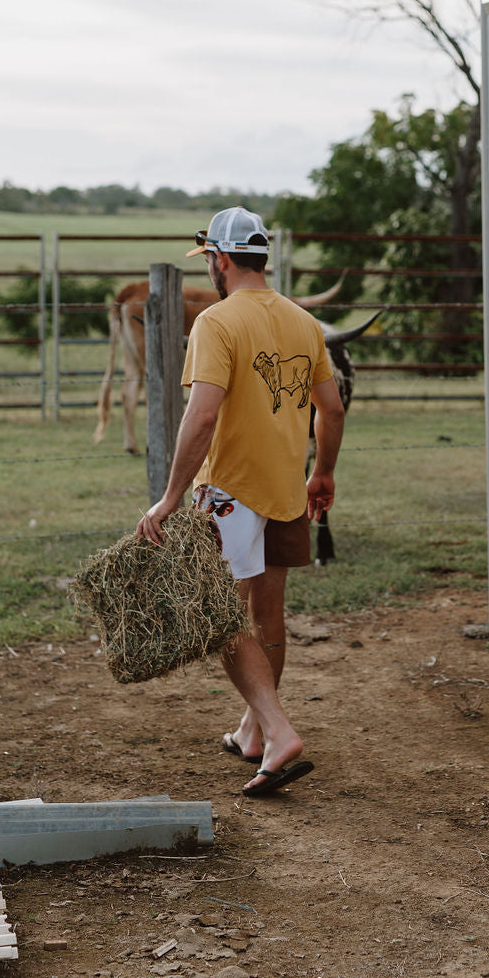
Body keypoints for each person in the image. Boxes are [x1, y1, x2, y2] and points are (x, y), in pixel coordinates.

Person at [136, 206, 345, 798]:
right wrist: (322, 472)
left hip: (228, 490)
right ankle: (253, 732)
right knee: (267, 616)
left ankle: (278, 732)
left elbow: (201, 416)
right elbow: (331, 409)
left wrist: (170, 497)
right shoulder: (304, 323)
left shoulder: (216, 322)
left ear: (219, 259)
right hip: (285, 486)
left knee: (221, 618)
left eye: (209, 261)